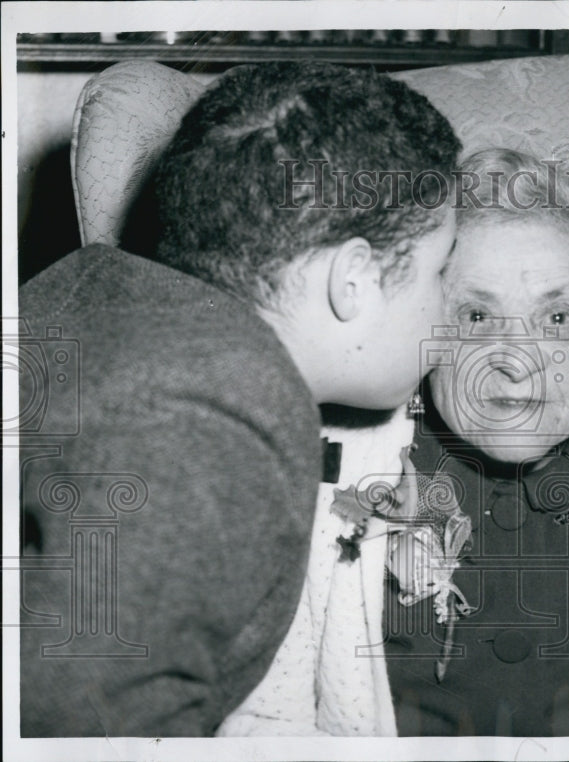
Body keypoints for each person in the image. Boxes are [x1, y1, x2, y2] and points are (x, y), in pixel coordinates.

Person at [218, 149, 569, 737]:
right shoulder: (324, 463)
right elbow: (260, 717)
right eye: (477, 318)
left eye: (557, 318)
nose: (516, 362)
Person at [19, 61, 460, 736]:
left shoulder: (103, 287)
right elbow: (85, 724)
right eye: (441, 269)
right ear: (357, 281)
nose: (449, 304)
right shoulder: (218, 417)